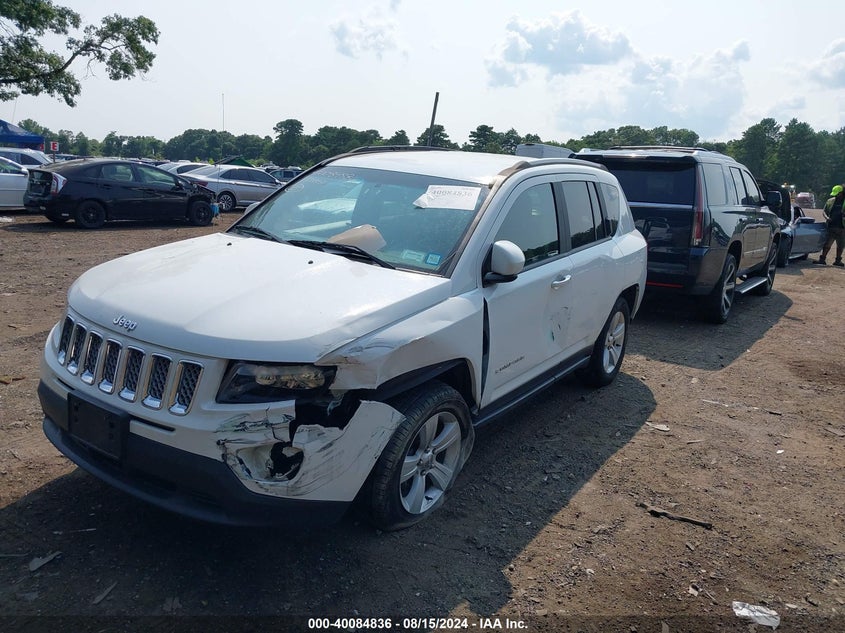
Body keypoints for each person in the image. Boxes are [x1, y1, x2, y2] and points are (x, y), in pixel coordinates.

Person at [816, 185, 845, 266]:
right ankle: (822, 259)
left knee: (840, 246)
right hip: (831, 227)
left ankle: (838, 261)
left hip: (842, 228)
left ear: (841, 193)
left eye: (837, 194)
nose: (836, 196)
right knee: (827, 245)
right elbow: (824, 211)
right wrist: (827, 217)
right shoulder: (830, 201)